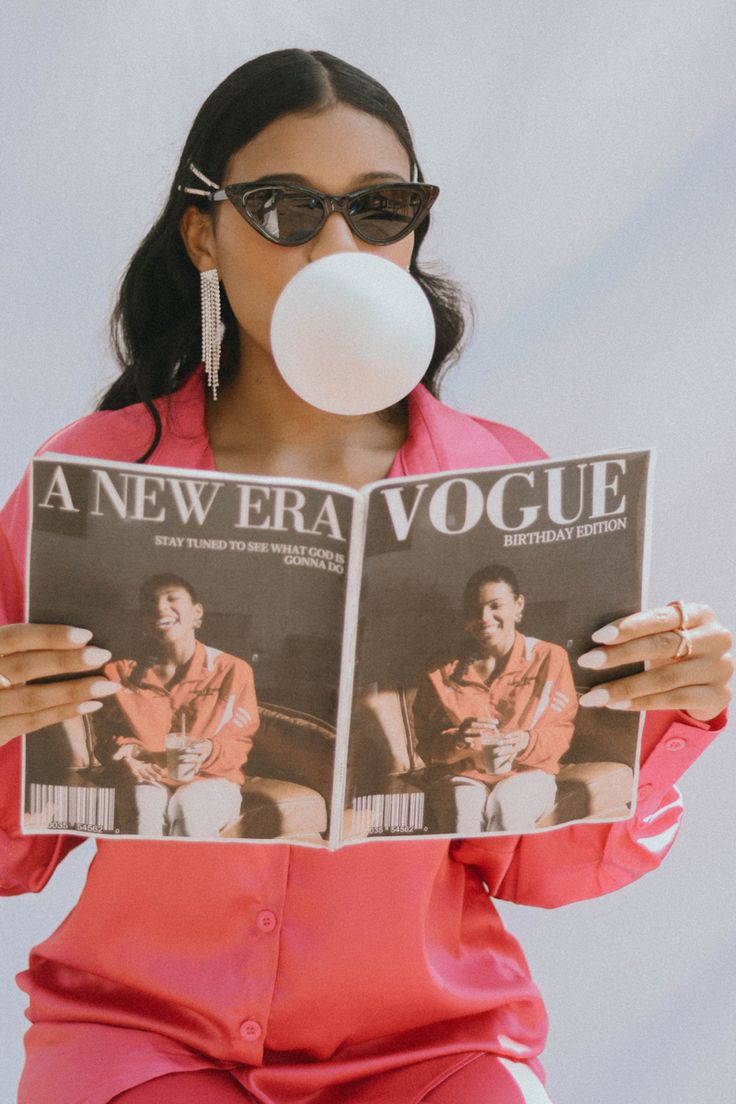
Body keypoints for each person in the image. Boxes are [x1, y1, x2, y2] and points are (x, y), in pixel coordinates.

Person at [0, 49, 731, 1104]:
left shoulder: (503, 483)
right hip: (143, 1036)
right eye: (285, 207)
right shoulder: (96, 476)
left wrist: (663, 714)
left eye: (378, 208)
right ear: (202, 233)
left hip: (437, 1044)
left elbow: (544, 866)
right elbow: (20, 852)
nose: (336, 246)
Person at [414, 565, 577, 834]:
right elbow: (427, 745)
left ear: (518, 605)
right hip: (461, 775)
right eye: (474, 610)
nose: (484, 617)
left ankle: (508, 877)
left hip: (528, 772)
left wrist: (526, 741)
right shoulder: (439, 670)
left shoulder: (549, 657)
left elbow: (561, 731)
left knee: (508, 807)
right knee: (463, 817)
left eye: (495, 606)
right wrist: (457, 740)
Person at [93, 573, 259, 837]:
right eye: (151, 603)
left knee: (190, 808)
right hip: (145, 777)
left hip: (211, 779)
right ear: (144, 620)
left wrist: (209, 749)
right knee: (144, 809)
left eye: (172, 598)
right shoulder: (119, 671)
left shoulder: (232, 670)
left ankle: (192, 878)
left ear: (197, 613)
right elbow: (105, 739)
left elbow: (240, 742)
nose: (160, 608)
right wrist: (126, 757)